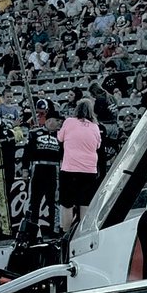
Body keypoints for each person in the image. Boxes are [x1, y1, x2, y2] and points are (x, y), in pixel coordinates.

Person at [56, 98, 101, 233]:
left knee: (67, 204)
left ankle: (66, 232)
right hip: (89, 170)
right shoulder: (95, 126)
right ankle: (83, 232)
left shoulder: (69, 122)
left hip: (70, 168)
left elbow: (60, 138)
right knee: (85, 203)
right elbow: (98, 145)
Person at [22, 108, 62, 239]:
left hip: (54, 170)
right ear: (49, 120)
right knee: (34, 201)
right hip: (37, 168)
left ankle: (54, 230)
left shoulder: (61, 136)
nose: (59, 123)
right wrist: (25, 169)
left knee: (53, 201)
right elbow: (27, 152)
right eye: (57, 121)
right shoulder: (35, 133)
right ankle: (32, 229)